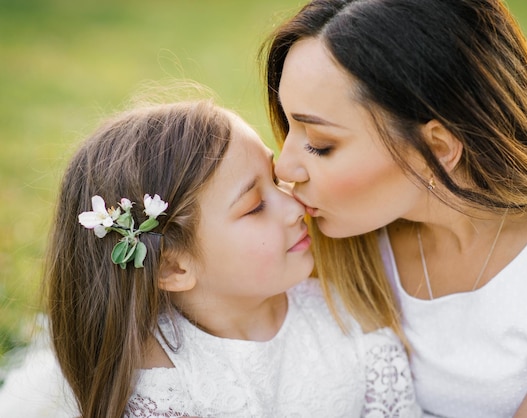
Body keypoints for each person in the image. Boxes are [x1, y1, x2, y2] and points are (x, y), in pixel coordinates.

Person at [260, 0, 527, 416]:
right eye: (289, 126)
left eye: (321, 145)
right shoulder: (331, 231)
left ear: (437, 148)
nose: (284, 166)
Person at [44, 96, 421, 418]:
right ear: (174, 266)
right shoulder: (163, 383)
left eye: (275, 179)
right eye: (256, 206)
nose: (295, 207)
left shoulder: (346, 313)